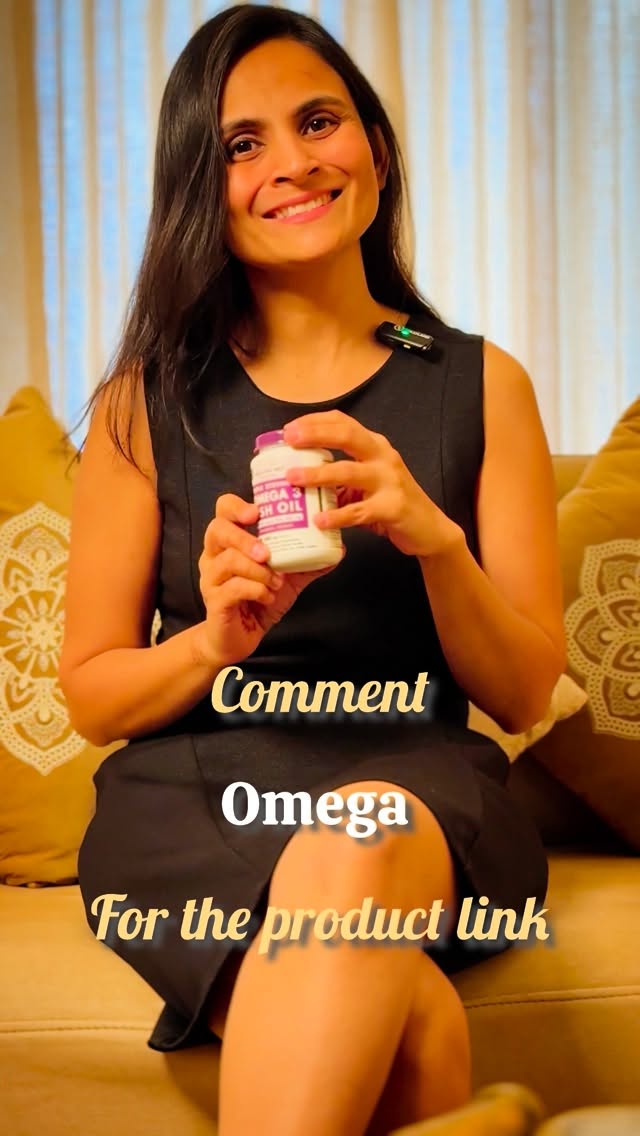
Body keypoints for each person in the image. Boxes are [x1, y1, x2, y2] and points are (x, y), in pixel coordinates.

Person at [59, 5, 566, 1134]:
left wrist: (435, 541)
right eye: (242, 144)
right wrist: (210, 642)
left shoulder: (478, 383)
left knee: (360, 832)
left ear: (373, 148)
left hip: (412, 788)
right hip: (199, 796)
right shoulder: (146, 401)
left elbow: (526, 692)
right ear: (203, 188)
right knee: (417, 1030)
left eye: (318, 122)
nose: (291, 162)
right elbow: (92, 696)